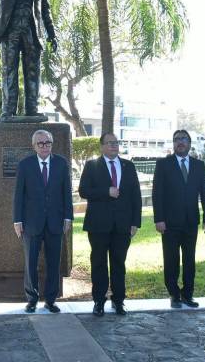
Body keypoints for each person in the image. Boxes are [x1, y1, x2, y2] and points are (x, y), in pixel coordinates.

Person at [78, 133, 141, 316]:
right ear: (102, 146)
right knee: (98, 263)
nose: (114, 146)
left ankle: (119, 300)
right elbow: (83, 190)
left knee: (119, 263)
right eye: (110, 143)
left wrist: (135, 222)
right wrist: (106, 191)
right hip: (98, 225)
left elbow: (136, 196)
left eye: (116, 143)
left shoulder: (128, 166)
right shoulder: (92, 166)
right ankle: (98, 301)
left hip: (122, 225)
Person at [13, 129, 73, 313]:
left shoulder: (61, 164)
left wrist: (68, 217)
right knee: (31, 262)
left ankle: (51, 299)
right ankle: (32, 299)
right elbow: (19, 196)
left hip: (55, 222)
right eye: (40, 143)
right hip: (32, 223)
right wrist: (17, 221)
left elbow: (66, 193)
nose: (44, 146)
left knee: (53, 262)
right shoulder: (25, 165)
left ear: (52, 144)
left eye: (47, 142)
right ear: (34, 146)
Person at [152, 130, 205, 309]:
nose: (180, 142)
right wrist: (159, 219)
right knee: (171, 259)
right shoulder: (163, 164)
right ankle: (174, 294)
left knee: (189, 259)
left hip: (191, 221)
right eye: (177, 140)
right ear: (173, 144)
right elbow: (157, 194)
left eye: (183, 139)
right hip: (169, 222)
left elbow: (204, 193)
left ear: (189, 143)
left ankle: (188, 294)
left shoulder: (199, 165)